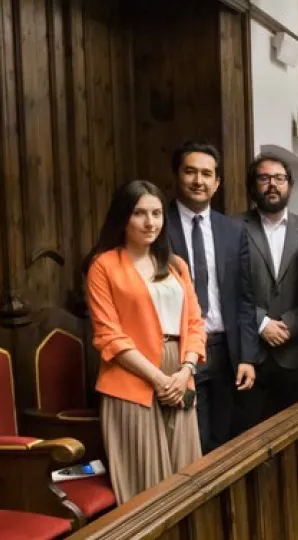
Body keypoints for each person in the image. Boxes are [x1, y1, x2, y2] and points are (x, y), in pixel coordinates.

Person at [85, 180, 205, 503]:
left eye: (157, 213)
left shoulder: (176, 265)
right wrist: (158, 378)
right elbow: (109, 335)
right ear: (123, 217)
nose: (150, 222)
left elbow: (195, 324)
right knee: (146, 486)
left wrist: (185, 371)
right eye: (140, 213)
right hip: (132, 379)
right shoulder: (103, 266)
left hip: (179, 374)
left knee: (187, 477)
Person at [166, 141, 255, 453]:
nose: (198, 181)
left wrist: (247, 356)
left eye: (206, 174)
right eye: (190, 172)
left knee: (225, 441)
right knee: (193, 442)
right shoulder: (158, 225)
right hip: (179, 350)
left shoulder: (232, 230)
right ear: (177, 175)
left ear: (217, 182)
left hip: (225, 350)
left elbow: (245, 298)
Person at [237, 153, 298, 429]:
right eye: (264, 178)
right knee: (248, 437)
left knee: (294, 437)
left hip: (295, 354)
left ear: (289, 184)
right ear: (252, 184)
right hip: (249, 355)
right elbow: (228, 287)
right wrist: (262, 323)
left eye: (279, 178)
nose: (272, 185)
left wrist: (290, 324)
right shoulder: (233, 228)